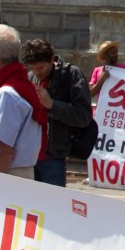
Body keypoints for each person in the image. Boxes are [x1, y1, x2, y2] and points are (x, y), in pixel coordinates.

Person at [0, 25, 47, 180]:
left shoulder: (7, 93)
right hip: (18, 173)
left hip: (7, 175)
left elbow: (4, 151)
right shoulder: (22, 85)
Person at [22, 37, 94, 187]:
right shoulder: (30, 78)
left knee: (53, 206)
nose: (36, 73)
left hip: (53, 157)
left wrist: (52, 105)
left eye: (40, 68)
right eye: (32, 68)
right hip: (29, 156)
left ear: (50, 59)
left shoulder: (70, 75)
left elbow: (84, 116)